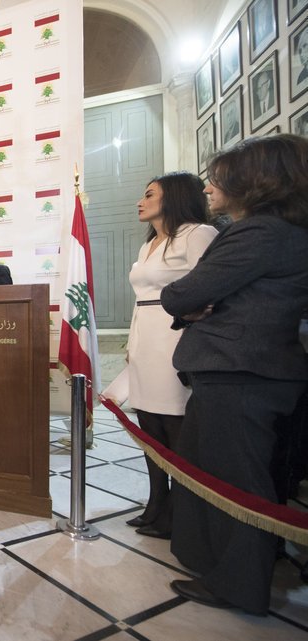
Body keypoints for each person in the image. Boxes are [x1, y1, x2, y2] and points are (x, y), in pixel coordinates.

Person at [160, 135, 308, 615]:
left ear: (255, 181)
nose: (208, 187)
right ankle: (225, 566)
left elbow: (181, 295)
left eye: (218, 178)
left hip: (240, 370)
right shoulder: (284, 231)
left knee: (237, 484)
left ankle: (239, 585)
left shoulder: (260, 232)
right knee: (217, 474)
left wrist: (190, 301)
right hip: (248, 369)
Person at [122, 173, 217, 539]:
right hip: (145, 339)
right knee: (150, 429)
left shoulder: (198, 234)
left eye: (149, 195)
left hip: (176, 339)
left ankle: (182, 511)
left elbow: (214, 287)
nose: (140, 202)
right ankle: (156, 503)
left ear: (175, 197)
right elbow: (142, 299)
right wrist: (131, 343)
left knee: (175, 426)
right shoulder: (149, 243)